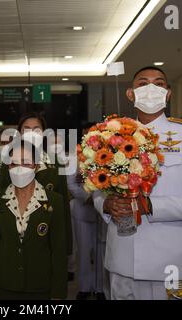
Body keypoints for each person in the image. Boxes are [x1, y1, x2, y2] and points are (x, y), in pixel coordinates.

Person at [92, 66, 182, 300]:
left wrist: (149, 206)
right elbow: (99, 189)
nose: (151, 88)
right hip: (122, 258)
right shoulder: (110, 136)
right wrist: (106, 205)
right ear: (130, 94)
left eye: (159, 84)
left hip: (169, 260)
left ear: (168, 94)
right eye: (143, 84)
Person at [0, 141, 67, 299]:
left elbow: (58, 250)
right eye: (14, 163)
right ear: (8, 167)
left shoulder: (54, 201)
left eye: (26, 162)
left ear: (36, 165)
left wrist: (58, 292)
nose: (19, 168)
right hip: (3, 285)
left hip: (40, 287)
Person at [0, 112, 73, 259]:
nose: (32, 133)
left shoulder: (55, 161)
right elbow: (0, 195)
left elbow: (63, 204)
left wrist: (66, 244)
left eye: (37, 129)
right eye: (27, 129)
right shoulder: (9, 159)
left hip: (47, 229)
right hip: (15, 227)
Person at [68, 124, 107, 300]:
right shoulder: (73, 157)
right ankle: (84, 287)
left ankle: (100, 289)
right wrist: (89, 198)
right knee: (84, 251)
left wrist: (101, 201)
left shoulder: (108, 155)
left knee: (101, 251)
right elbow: (71, 184)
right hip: (83, 211)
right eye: (87, 134)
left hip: (104, 213)